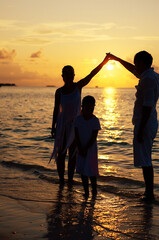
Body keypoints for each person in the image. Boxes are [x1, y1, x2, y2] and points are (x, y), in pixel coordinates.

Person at [107, 51, 159, 201]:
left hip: (145, 122)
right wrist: (117, 59)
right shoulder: (151, 75)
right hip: (148, 121)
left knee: (146, 161)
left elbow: (148, 105)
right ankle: (148, 193)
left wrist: (141, 128)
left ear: (143, 63)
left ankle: (149, 194)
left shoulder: (148, 79)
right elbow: (133, 69)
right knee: (146, 159)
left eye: (137, 62)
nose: (135, 65)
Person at [51, 55, 109, 185]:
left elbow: (91, 74)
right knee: (61, 155)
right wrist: (53, 127)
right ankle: (61, 181)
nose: (69, 76)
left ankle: (70, 181)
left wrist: (104, 62)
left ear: (74, 75)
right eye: (66, 74)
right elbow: (56, 110)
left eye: (71, 74)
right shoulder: (59, 92)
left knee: (73, 156)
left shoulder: (78, 87)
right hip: (62, 126)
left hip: (76, 126)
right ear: (62, 76)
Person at [74, 96, 101, 198]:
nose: (89, 110)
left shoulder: (95, 120)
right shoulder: (78, 119)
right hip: (80, 148)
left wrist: (86, 148)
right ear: (82, 107)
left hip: (91, 150)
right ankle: (86, 191)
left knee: (92, 172)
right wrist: (80, 147)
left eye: (92, 108)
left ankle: (94, 191)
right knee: (82, 172)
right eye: (87, 108)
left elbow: (94, 137)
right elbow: (76, 135)